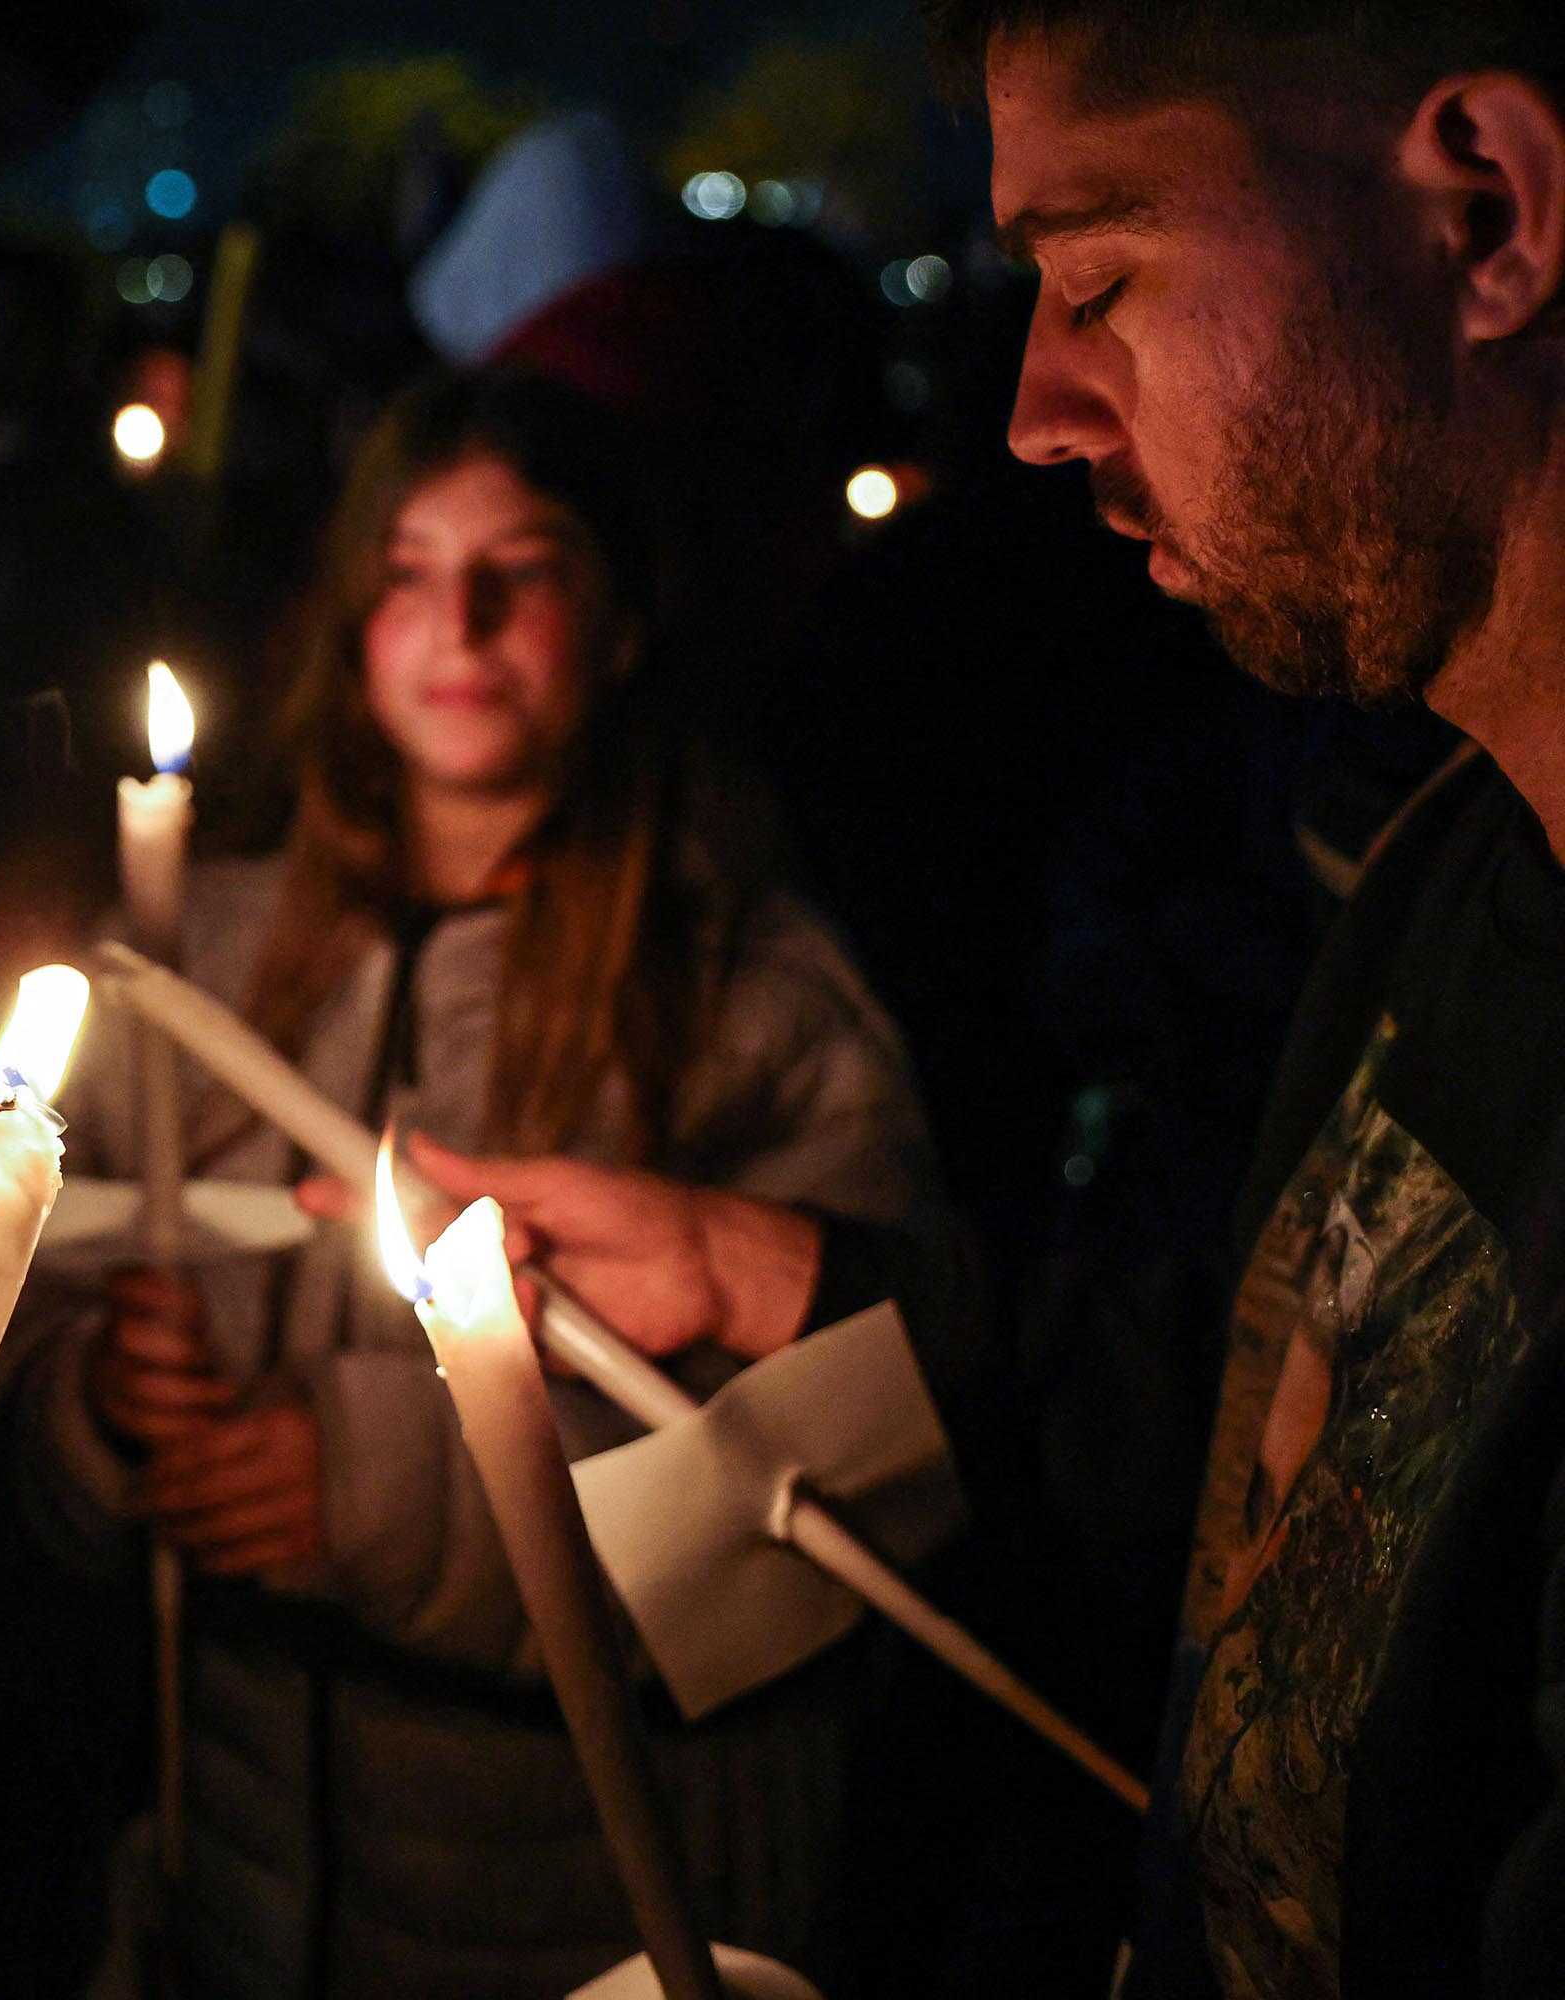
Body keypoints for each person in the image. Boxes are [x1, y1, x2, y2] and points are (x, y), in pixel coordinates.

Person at [441, 2, 1565, 1989]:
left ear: (1485, 211)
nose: (1036, 404)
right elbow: (1269, 1433)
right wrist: (794, 1283)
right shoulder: (1450, 872)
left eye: (1101, 277)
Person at [0, 370, 960, 1995]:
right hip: (251, 1884)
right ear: (352, 616)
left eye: (530, 564)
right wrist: (93, 1405)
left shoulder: (751, 996)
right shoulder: (197, 966)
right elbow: (22, 1347)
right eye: (413, 568)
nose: (466, 617)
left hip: (596, 1905)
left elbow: (853, 1511)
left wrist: (384, 1490)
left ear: (628, 620)